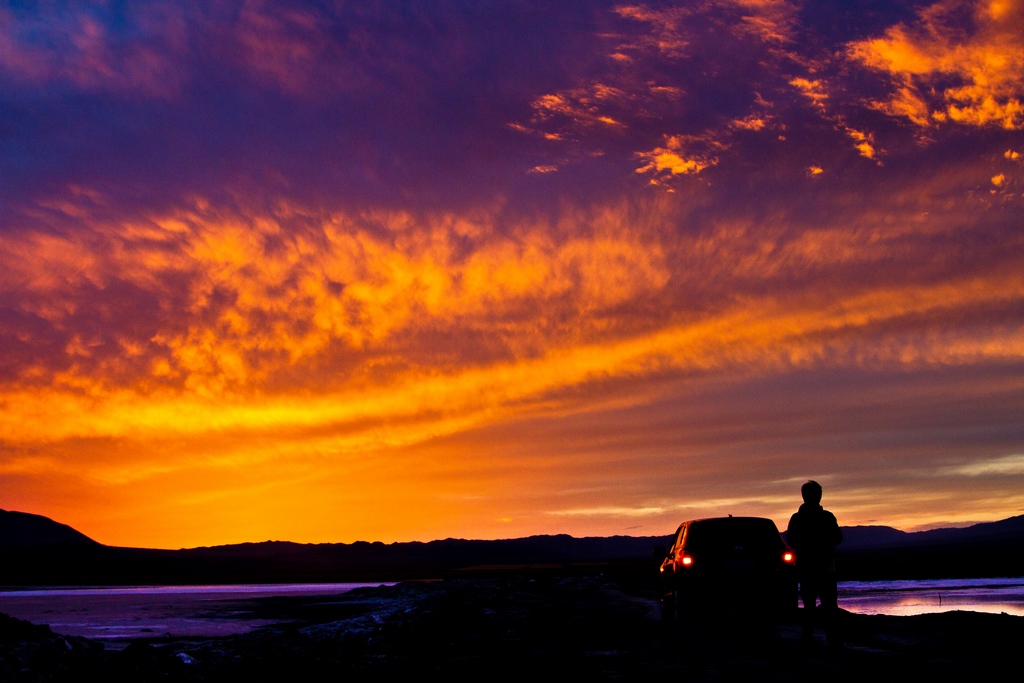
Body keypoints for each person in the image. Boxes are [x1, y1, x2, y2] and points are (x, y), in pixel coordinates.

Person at [786, 480, 842, 649]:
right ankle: (832, 642)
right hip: (823, 569)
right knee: (828, 607)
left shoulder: (798, 518)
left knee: (811, 607)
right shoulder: (827, 517)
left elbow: (792, 540)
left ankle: (809, 641)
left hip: (809, 569)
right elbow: (838, 537)